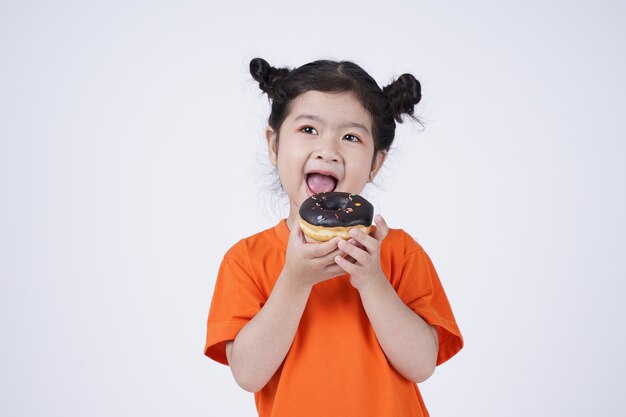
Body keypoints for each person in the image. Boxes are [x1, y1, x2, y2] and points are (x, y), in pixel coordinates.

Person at [204, 57, 463, 416]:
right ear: (274, 144)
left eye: (351, 137)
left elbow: (421, 365)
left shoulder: (400, 252)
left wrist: (372, 281)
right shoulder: (247, 259)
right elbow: (248, 373)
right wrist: (294, 282)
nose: (329, 150)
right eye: (309, 129)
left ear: (376, 163)